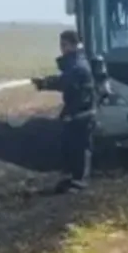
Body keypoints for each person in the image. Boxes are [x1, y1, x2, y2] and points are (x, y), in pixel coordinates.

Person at [31, 30, 96, 194]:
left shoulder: (78, 66)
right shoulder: (75, 63)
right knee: (70, 146)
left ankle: (79, 182)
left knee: (80, 148)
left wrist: (44, 83)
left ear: (73, 45)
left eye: (64, 45)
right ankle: (73, 178)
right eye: (61, 45)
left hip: (82, 113)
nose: (62, 48)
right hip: (76, 111)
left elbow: (64, 81)